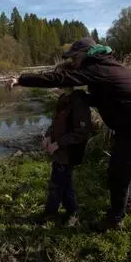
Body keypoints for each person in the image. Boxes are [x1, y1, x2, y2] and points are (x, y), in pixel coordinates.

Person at [5, 37, 131, 232]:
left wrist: (22, 79)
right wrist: (77, 97)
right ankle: (128, 205)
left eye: (74, 58)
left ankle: (115, 219)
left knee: (118, 174)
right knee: (121, 170)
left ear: (85, 54)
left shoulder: (98, 68)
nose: (73, 63)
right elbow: (99, 99)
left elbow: (60, 78)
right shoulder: (104, 67)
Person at [39, 63, 93, 227]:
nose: (56, 80)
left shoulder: (79, 101)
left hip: (69, 153)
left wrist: (58, 144)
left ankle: (57, 213)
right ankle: (67, 212)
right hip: (58, 151)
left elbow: (82, 132)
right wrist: (48, 137)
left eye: (59, 76)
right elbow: (54, 123)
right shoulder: (62, 98)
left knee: (58, 183)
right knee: (62, 182)